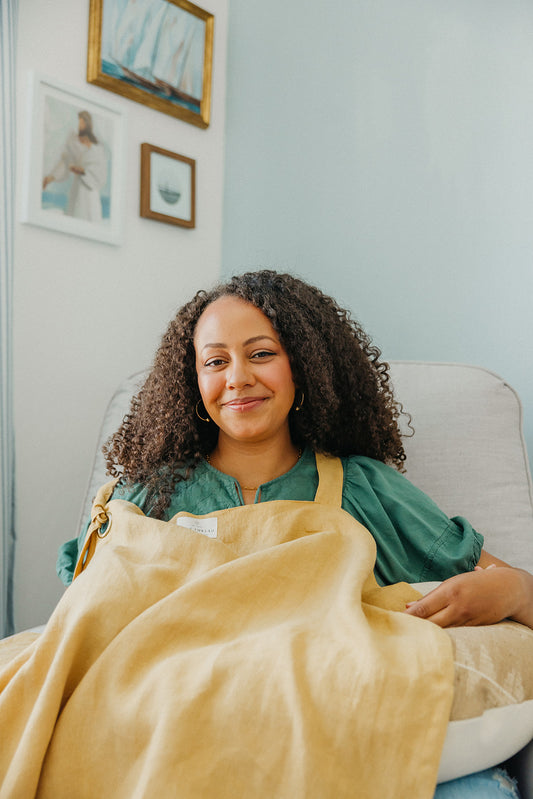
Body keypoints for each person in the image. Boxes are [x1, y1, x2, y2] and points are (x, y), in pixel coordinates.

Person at [56, 269, 530, 797]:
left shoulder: (367, 489)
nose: (237, 377)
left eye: (261, 354)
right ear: (193, 384)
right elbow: (86, 622)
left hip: (339, 734)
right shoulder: (147, 498)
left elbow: (511, 591)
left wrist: (513, 589)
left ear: (303, 367)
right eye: (215, 361)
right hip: (176, 737)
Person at [42, 110, 107, 222]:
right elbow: (64, 164)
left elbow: (100, 170)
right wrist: (50, 178)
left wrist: (84, 171)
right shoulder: (73, 142)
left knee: (92, 217)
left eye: (82, 123)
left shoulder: (98, 147)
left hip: (91, 189)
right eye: (79, 123)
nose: (80, 126)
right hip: (77, 188)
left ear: (87, 124)